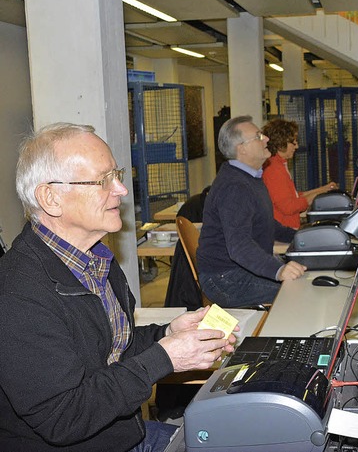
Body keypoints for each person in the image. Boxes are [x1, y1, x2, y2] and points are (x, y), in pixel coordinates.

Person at [0, 123, 237, 452]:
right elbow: (63, 417)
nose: (122, 190)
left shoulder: (96, 260)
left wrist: (167, 334)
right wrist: (165, 357)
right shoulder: (17, 294)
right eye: (102, 180)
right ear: (51, 198)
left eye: (117, 174)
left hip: (126, 434)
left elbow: (111, 349)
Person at [197, 115, 307, 308]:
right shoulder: (235, 187)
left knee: (304, 282)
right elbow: (239, 246)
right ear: (242, 148)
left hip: (238, 271)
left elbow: (268, 225)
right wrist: (279, 270)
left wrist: (305, 238)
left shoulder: (251, 178)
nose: (266, 139)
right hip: (225, 279)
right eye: (258, 136)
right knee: (301, 293)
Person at [261, 118, 336, 229]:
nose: (296, 146)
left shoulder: (279, 164)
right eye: (293, 142)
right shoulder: (274, 170)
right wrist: (316, 195)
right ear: (281, 142)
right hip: (283, 231)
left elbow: (293, 197)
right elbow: (288, 207)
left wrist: (322, 190)